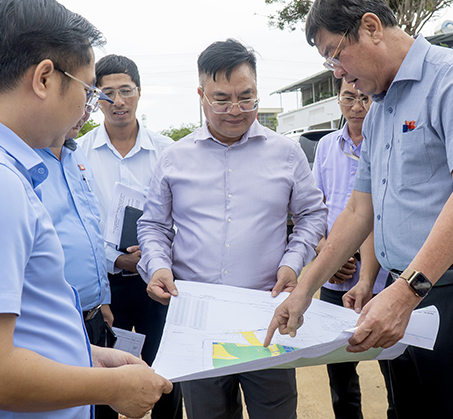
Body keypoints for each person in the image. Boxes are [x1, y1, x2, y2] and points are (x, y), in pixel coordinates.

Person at [0, 0, 172, 419]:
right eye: (87, 88)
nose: (87, 107)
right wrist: (112, 386)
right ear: (44, 78)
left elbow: (12, 330)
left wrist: (86, 358)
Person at [266, 0, 453, 419]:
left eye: (335, 54)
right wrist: (305, 289)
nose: (337, 72)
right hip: (404, 295)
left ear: (371, 26)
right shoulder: (380, 105)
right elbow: (360, 209)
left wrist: (405, 294)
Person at [137, 38, 327, 419]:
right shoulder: (175, 158)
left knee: (275, 413)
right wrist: (157, 266)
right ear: (201, 95)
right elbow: (154, 225)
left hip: (266, 318)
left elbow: (312, 215)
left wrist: (292, 263)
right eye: (222, 99)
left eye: (247, 97)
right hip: (198, 321)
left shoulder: (286, 153)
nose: (236, 110)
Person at [77, 54, 182, 418]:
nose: (118, 102)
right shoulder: (79, 154)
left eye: (125, 91)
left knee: (166, 371)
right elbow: (83, 223)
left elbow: (179, 215)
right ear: (95, 97)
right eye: (107, 93)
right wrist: (116, 259)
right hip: (105, 287)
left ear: (139, 93)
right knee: (104, 378)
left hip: (158, 281)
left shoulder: (168, 151)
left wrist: (152, 254)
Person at [313, 77, 394, 419]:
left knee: (396, 367)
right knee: (340, 373)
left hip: (386, 280)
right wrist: (325, 249)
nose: (357, 107)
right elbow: (315, 210)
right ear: (338, 100)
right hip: (337, 277)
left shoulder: (388, 144)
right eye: (349, 98)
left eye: (364, 98)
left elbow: (375, 211)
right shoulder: (326, 147)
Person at [35, 107, 114, 346]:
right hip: (51, 322)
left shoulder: (76, 153)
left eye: (89, 103)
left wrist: (103, 302)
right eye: (79, 100)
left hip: (93, 315)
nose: (85, 113)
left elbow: (90, 229)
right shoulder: (23, 159)